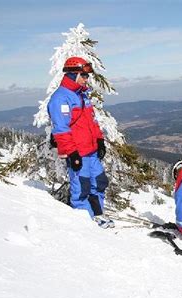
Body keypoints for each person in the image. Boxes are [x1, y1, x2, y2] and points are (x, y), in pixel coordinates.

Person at [48, 56, 113, 228]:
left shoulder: (82, 95)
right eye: (83, 75)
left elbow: (92, 121)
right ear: (72, 74)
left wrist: (99, 140)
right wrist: (72, 153)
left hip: (90, 151)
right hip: (78, 153)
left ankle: (98, 215)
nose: (86, 79)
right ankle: (85, 225)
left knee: (99, 183)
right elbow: (61, 130)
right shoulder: (60, 98)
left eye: (87, 76)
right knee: (82, 188)